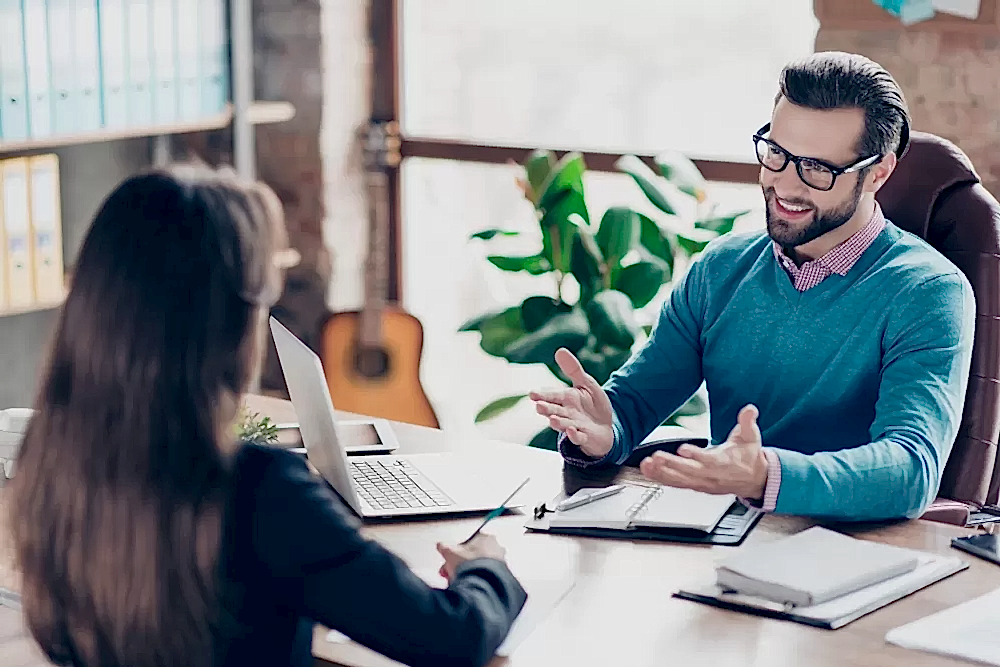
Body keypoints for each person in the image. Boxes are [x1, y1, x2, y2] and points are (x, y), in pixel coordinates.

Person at [7, 164, 525, 667]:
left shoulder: (51, 455)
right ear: (231, 321)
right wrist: (486, 568)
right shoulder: (258, 488)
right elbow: (452, 637)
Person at [530, 51, 976, 522]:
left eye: (818, 170)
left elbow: (911, 469)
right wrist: (605, 430)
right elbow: (635, 401)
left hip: (855, 553)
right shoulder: (721, 268)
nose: (785, 184)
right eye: (777, 154)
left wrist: (766, 476)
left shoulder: (929, 293)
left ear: (878, 173)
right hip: (725, 541)